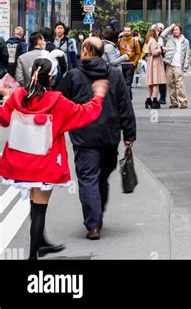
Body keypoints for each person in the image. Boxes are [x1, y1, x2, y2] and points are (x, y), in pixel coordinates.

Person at [0, 56, 108, 259]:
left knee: (34, 203)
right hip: (44, 164)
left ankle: (42, 243)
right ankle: (34, 254)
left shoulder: (18, 96)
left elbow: (4, 119)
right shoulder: (56, 100)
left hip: (20, 162)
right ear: (51, 78)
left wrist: (6, 95)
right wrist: (99, 95)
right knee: (40, 208)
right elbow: (85, 112)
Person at [59, 36, 135, 240]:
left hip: (84, 137)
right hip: (110, 137)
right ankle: (97, 213)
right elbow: (125, 106)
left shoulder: (73, 76)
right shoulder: (116, 75)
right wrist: (129, 134)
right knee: (101, 177)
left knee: (88, 179)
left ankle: (93, 224)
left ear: (84, 51)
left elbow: (59, 104)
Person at [161, 23, 189, 109]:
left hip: (178, 65)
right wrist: (170, 27)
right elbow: (162, 35)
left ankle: (183, 102)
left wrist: (185, 66)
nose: (175, 31)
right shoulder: (169, 39)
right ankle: (174, 102)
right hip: (169, 64)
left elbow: (187, 54)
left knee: (180, 84)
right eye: (174, 30)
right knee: (170, 85)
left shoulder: (185, 41)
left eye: (177, 29)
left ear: (180, 30)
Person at [144, 27, 166, 109]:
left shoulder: (149, 40)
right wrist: (161, 49)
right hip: (155, 63)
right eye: (157, 31)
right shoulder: (153, 41)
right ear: (154, 32)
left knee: (151, 83)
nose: (158, 33)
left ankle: (148, 99)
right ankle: (154, 100)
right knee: (156, 82)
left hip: (152, 63)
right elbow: (154, 52)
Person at [118, 25, 141, 98]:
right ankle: (129, 95)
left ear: (130, 32)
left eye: (128, 31)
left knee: (128, 82)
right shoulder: (119, 41)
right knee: (123, 82)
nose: (126, 32)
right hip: (121, 64)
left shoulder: (135, 40)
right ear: (123, 32)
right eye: (125, 31)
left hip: (130, 64)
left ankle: (126, 98)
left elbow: (138, 53)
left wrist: (134, 63)